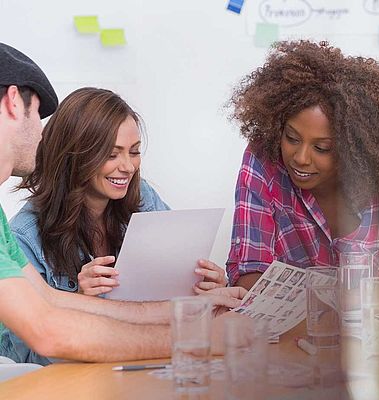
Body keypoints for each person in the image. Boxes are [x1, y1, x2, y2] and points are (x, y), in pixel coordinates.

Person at [0, 42, 245, 364]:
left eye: (133, 151)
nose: (42, 132)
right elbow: (45, 332)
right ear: (15, 103)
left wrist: (197, 307)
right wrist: (200, 337)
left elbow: (49, 300)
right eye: (38, 116)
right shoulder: (25, 230)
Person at [225, 40, 379, 310]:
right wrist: (367, 297)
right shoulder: (263, 163)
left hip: (374, 347)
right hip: (291, 344)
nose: (301, 157)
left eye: (322, 148)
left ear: (354, 148)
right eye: (291, 138)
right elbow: (248, 278)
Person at [11, 87, 227, 297]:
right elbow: (20, 333)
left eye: (134, 152)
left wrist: (203, 283)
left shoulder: (143, 197)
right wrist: (79, 298)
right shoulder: (25, 236)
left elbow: (175, 280)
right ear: (74, 156)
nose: (128, 167)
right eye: (112, 155)